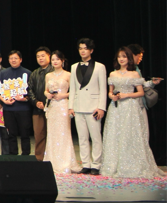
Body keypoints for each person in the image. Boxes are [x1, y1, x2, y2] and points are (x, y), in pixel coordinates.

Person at [101, 47, 161, 178]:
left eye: (124, 56)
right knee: (115, 134)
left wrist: (126, 95)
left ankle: (130, 164)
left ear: (129, 58)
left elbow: (140, 93)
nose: (121, 59)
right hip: (116, 108)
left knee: (129, 135)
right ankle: (113, 165)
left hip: (130, 107)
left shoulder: (134, 74)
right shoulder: (113, 74)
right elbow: (110, 92)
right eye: (119, 57)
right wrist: (112, 96)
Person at [68, 38, 107, 175]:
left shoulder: (99, 67)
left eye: (85, 48)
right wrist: (70, 106)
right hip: (78, 106)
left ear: (91, 50)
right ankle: (85, 164)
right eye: (80, 48)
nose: (82, 51)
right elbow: (73, 88)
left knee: (96, 137)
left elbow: (103, 89)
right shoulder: (74, 67)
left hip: (93, 107)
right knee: (82, 137)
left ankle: (96, 164)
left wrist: (101, 107)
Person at [42, 51, 81, 174]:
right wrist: (47, 94)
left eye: (57, 59)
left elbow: (75, 91)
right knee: (52, 134)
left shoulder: (68, 75)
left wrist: (63, 95)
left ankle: (65, 161)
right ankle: (52, 161)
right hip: (52, 106)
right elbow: (45, 90)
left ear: (62, 61)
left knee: (64, 132)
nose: (55, 62)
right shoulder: (48, 75)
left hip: (63, 105)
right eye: (53, 59)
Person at [0, 50, 31, 156]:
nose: (13, 60)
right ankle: (13, 156)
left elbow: (31, 92)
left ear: (20, 59)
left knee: (25, 134)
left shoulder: (27, 73)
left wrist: (24, 99)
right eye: (11, 58)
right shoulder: (3, 73)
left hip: (23, 109)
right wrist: (4, 101)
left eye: (15, 58)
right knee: (11, 135)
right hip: (9, 109)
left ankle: (25, 156)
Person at [28, 47, 53, 161]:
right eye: (38, 56)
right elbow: (30, 90)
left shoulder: (54, 71)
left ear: (49, 56)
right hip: (37, 109)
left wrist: (47, 102)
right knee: (39, 135)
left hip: (52, 108)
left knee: (53, 135)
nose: (40, 58)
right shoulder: (34, 73)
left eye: (43, 56)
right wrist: (36, 102)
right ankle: (39, 159)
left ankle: (52, 158)